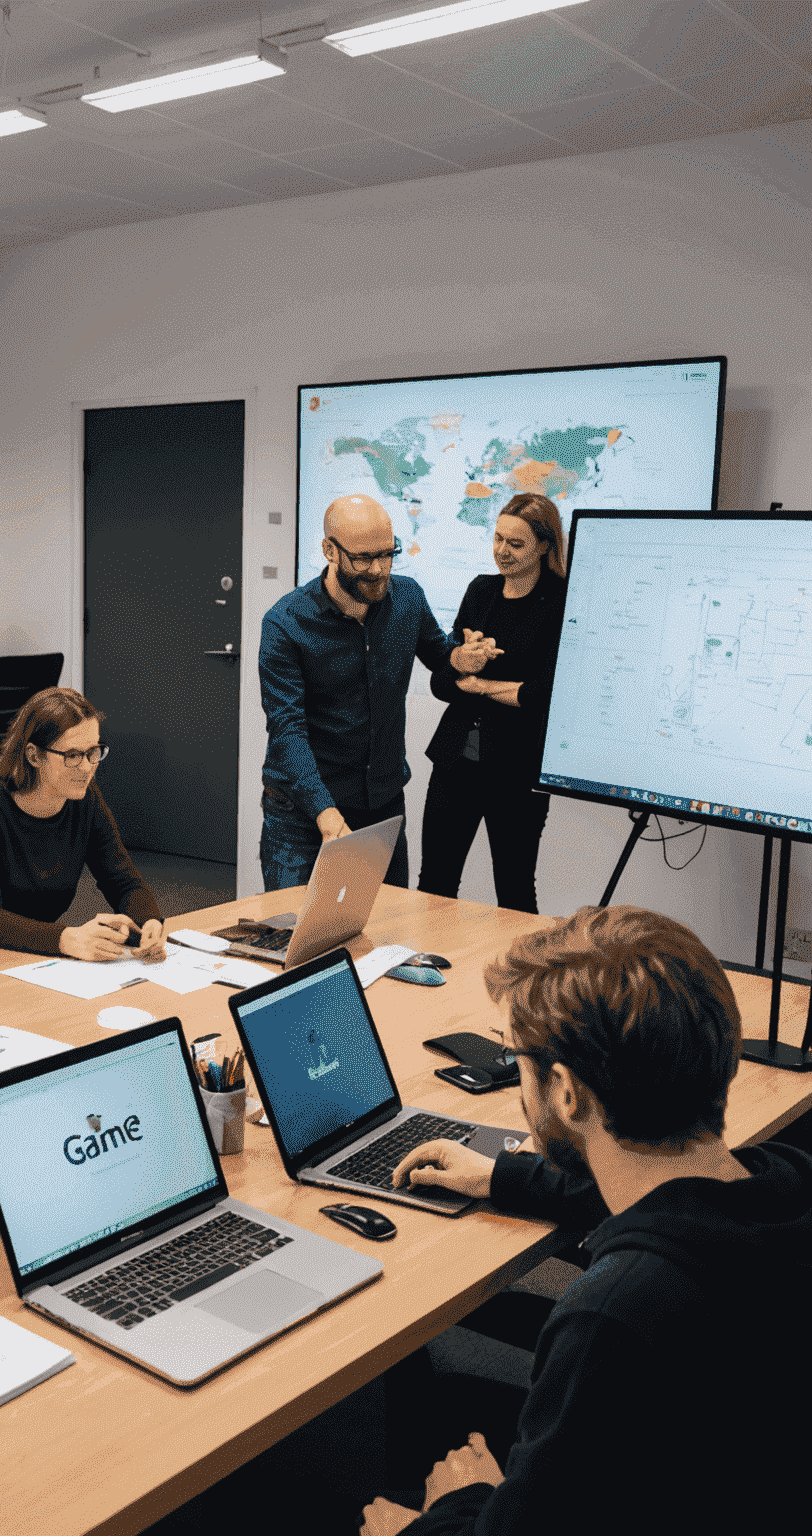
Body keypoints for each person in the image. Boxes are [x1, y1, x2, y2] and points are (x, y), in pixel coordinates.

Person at [358, 904, 812, 1535]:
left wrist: (450, 1510)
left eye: (515, 1057)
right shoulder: (787, 1183)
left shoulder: (616, 1316)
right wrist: (500, 1176)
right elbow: (677, 1205)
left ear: (566, 1091)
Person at [259, 494, 499, 892]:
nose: (379, 569)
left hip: (381, 802)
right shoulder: (285, 624)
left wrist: (463, 658)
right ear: (329, 551)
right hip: (303, 810)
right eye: (364, 558)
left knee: (385, 932)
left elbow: (440, 656)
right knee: (293, 935)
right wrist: (324, 811)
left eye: (388, 554)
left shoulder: (407, 598)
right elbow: (287, 731)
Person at [0, 686, 167, 962]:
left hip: (35, 957)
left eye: (93, 752)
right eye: (72, 756)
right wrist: (66, 938)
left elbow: (124, 882)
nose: (87, 767)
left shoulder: (85, 801)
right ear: (34, 756)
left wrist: (149, 922)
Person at [417, 493, 568, 913]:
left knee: (515, 889)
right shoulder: (480, 591)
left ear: (544, 545)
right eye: (498, 538)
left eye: (516, 544)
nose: (502, 551)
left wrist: (480, 684)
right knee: (435, 881)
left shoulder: (561, 601)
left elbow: (541, 695)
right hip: (454, 764)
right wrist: (462, 665)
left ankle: (523, 979)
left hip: (518, 774)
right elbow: (443, 683)